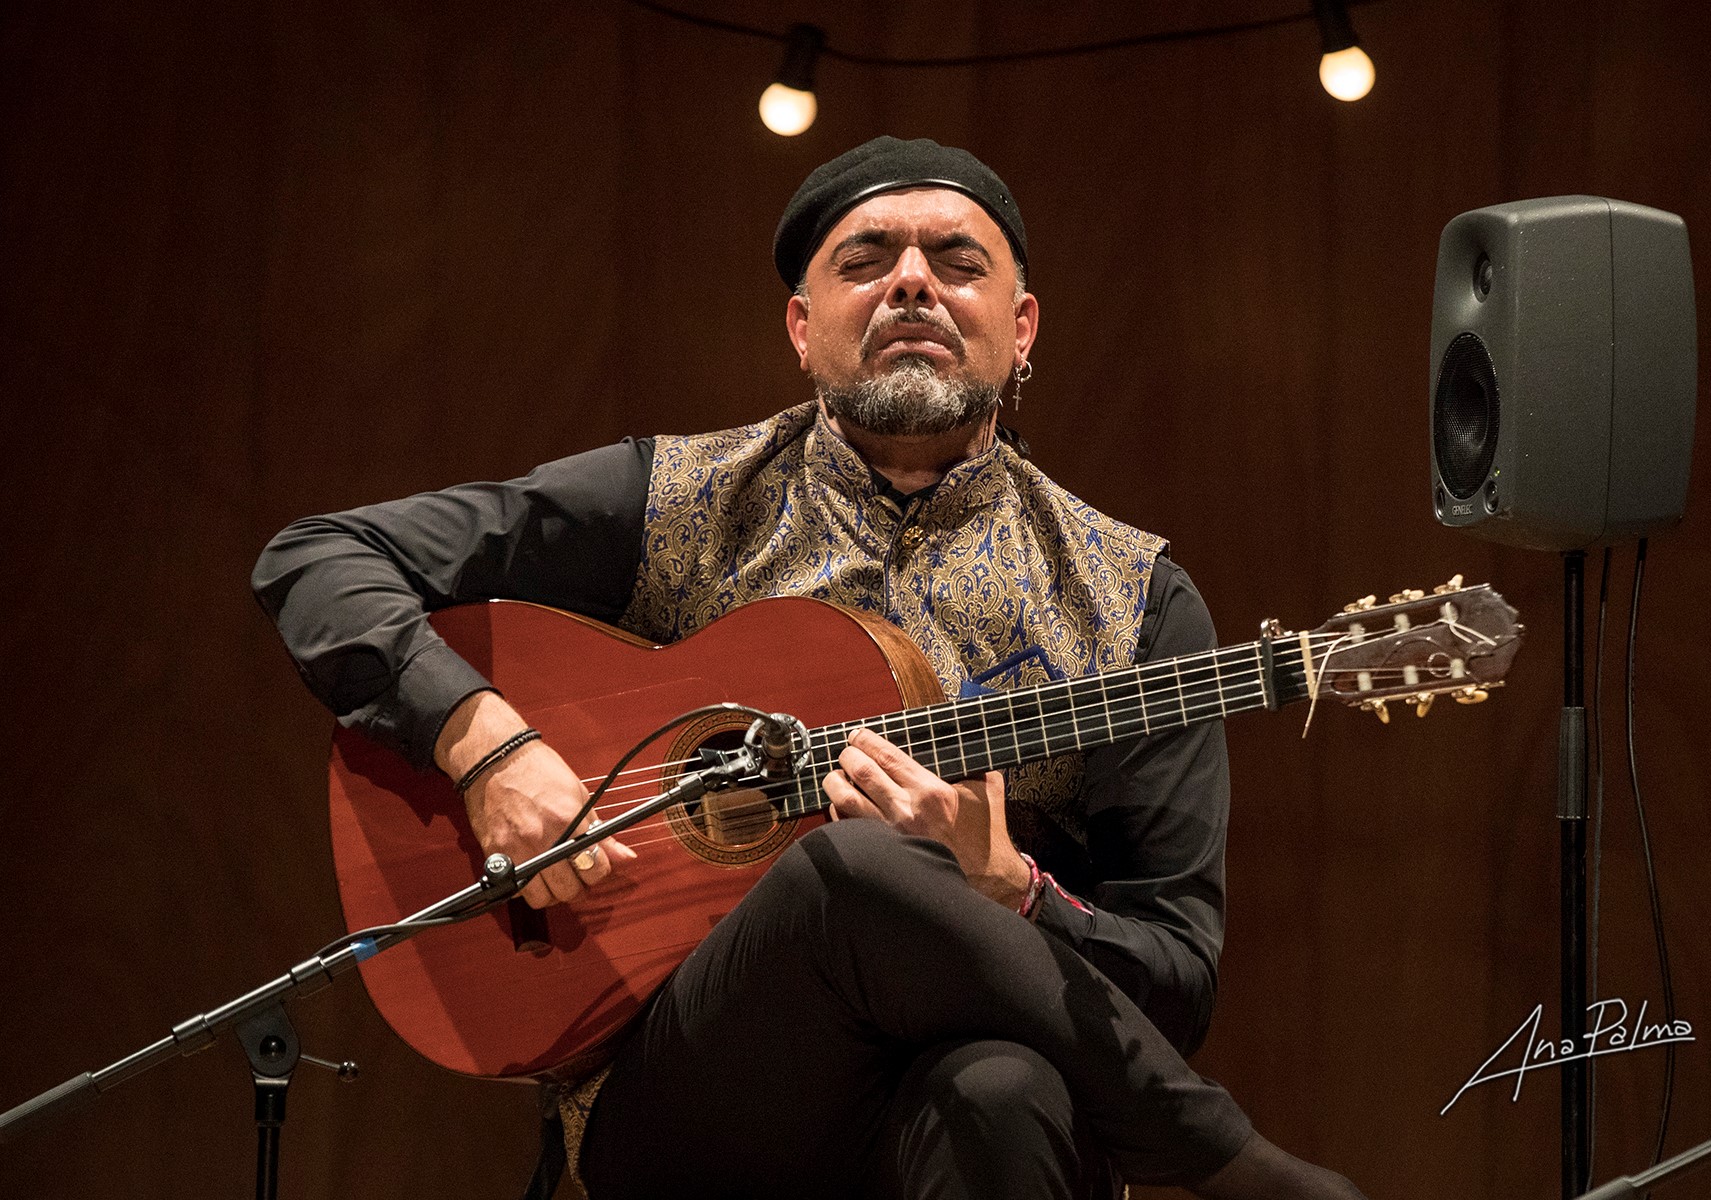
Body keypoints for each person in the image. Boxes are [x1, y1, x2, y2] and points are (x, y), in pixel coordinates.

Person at [254, 136, 1365, 1200]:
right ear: (801, 326)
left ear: (1023, 329)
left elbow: (1173, 984)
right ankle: (1231, 1165)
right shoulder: (677, 500)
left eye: (958, 263)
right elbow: (318, 558)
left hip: (974, 1092)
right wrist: (483, 742)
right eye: (867, 261)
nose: (914, 286)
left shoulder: (1133, 602)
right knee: (848, 869)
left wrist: (1009, 894)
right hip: (691, 1090)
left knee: (1006, 1091)